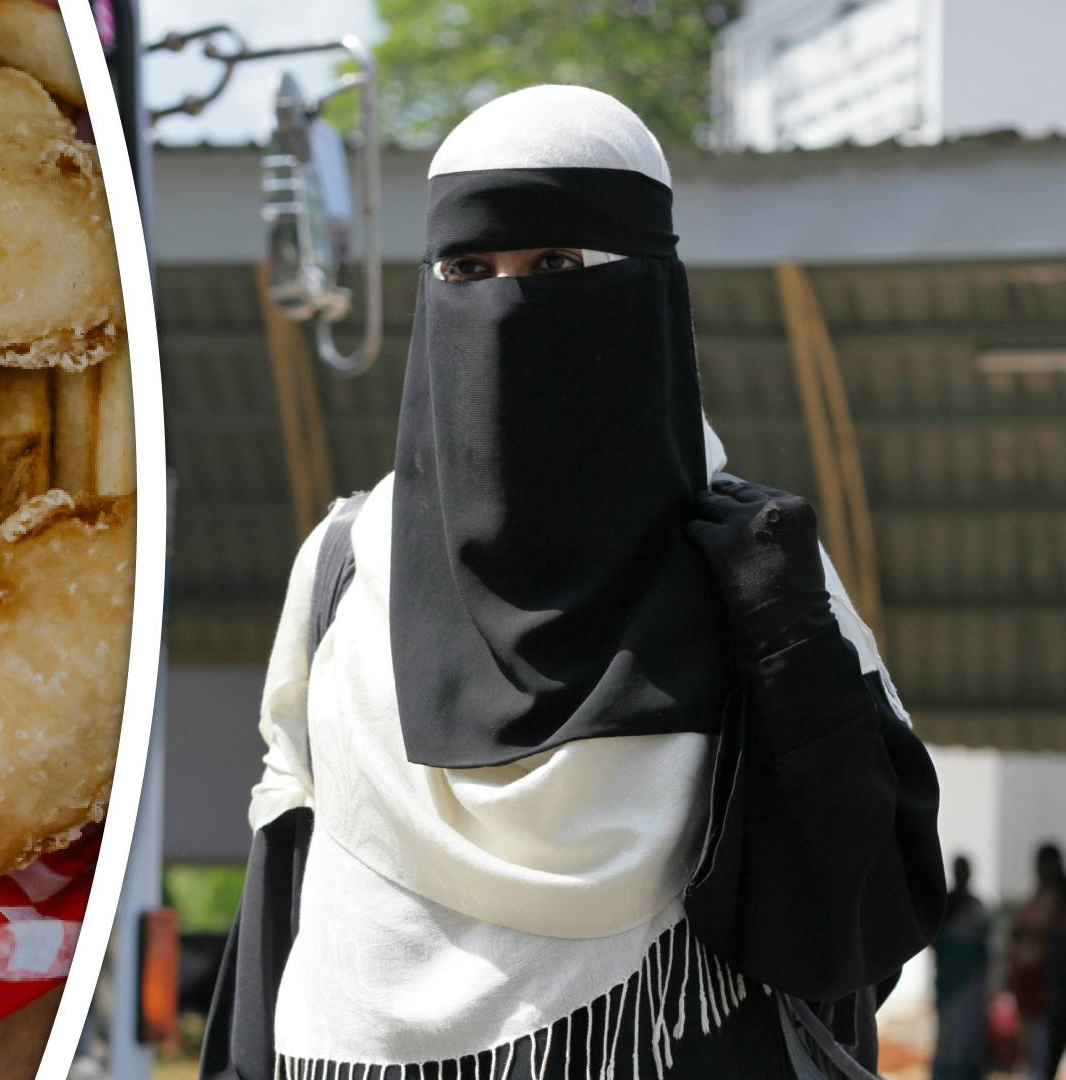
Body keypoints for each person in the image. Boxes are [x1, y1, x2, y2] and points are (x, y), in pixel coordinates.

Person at [199, 86, 945, 1080]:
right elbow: (283, 885)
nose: (507, 304)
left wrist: (784, 638)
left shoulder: (750, 565)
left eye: (554, 265)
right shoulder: (345, 567)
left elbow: (851, 927)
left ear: (644, 287)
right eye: (468, 268)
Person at [1011, 844, 1066, 1080]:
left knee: (1046, 1053)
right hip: (1029, 985)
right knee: (1032, 1053)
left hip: (1051, 986)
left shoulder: (1060, 900)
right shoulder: (1035, 898)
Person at [934, 856, 992, 1080]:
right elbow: (935, 941)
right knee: (950, 1037)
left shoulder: (976, 905)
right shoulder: (947, 903)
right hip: (951, 984)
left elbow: (985, 946)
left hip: (973, 985)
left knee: (970, 1036)